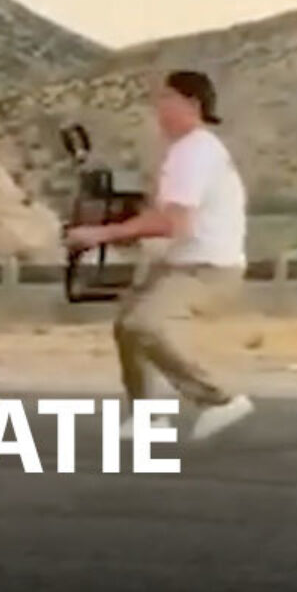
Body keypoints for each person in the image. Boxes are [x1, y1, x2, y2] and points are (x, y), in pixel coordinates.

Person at [65, 70, 254, 441]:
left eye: (167, 98)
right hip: (182, 263)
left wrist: (101, 234)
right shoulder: (192, 150)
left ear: (192, 104)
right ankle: (147, 417)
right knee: (128, 327)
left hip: (206, 269)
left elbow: (173, 223)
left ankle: (219, 399)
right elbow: (166, 214)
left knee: (146, 324)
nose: (158, 107)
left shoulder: (193, 153)